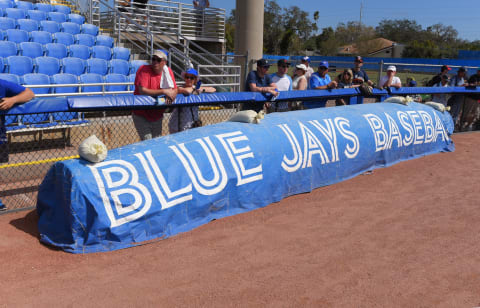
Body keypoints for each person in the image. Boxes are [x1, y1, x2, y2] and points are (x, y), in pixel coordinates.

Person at [132, 50, 177, 140]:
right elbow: (142, 91)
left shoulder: (168, 72)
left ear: (164, 62)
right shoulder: (143, 69)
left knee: (157, 142)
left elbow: (175, 89)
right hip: (141, 114)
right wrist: (164, 91)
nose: (155, 62)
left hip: (157, 114)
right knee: (148, 141)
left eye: (158, 60)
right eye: (153, 59)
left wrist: (172, 95)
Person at [169, 68, 215, 133]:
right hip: (177, 125)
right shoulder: (179, 88)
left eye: (191, 78)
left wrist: (201, 89)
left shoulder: (196, 89)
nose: (189, 79)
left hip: (191, 123)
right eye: (187, 77)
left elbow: (213, 89)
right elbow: (187, 91)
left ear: (195, 80)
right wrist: (195, 89)